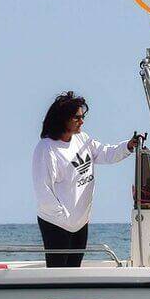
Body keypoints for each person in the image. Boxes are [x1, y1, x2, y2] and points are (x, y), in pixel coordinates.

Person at [32, 92, 141, 268]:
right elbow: (43, 190)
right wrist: (64, 217)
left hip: (80, 221)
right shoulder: (46, 149)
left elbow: (105, 153)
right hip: (56, 223)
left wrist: (128, 146)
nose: (82, 122)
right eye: (77, 118)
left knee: (74, 271)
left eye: (83, 117)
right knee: (58, 274)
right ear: (62, 118)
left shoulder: (81, 139)